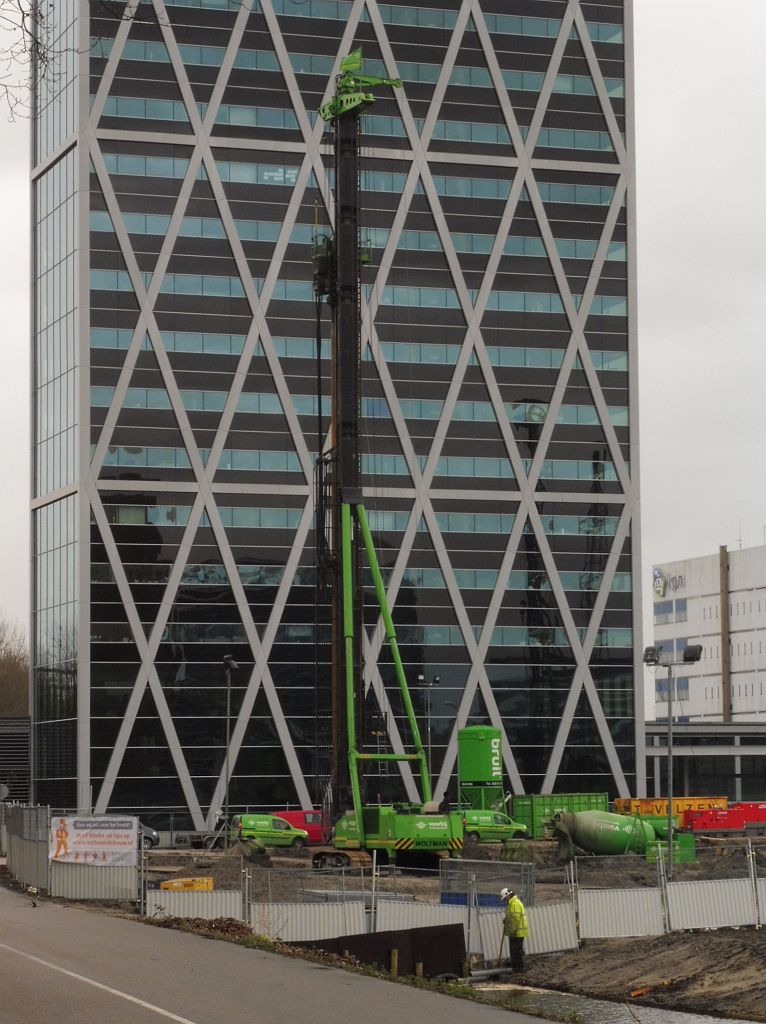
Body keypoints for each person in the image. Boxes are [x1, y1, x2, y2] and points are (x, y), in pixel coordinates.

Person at [500, 886, 528, 972]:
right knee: (516, 951)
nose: (505, 900)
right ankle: (517, 968)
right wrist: (507, 920)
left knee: (515, 951)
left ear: (508, 896)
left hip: (517, 932)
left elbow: (515, 920)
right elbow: (512, 917)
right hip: (517, 932)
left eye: (505, 898)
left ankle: (518, 969)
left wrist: (511, 931)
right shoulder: (513, 903)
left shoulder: (515, 904)